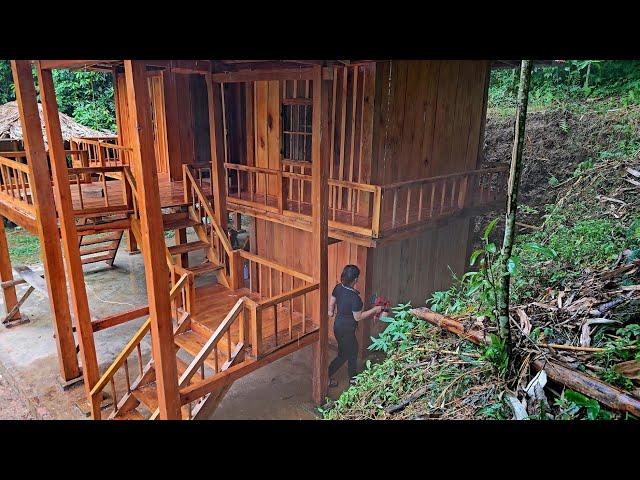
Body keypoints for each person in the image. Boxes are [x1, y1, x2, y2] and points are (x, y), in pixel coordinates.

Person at [328, 265, 383, 388]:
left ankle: (352, 378)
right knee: (346, 355)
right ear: (355, 280)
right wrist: (375, 310)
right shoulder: (355, 298)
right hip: (347, 330)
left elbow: (331, 303)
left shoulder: (338, 288)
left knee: (349, 352)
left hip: (337, 326)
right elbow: (357, 317)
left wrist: (331, 312)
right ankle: (328, 375)